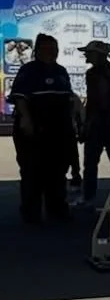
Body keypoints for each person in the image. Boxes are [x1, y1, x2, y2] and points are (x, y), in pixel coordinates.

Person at [11, 34, 75, 224]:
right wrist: (26, 120)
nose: (51, 52)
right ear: (37, 51)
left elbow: (68, 99)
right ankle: (31, 213)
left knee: (57, 171)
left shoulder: (61, 71)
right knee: (32, 171)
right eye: (46, 49)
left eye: (54, 49)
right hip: (34, 130)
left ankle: (57, 209)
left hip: (59, 130)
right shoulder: (28, 70)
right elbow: (20, 97)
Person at [80, 40, 110, 206]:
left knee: (91, 162)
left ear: (97, 55)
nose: (86, 55)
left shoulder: (94, 73)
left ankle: (88, 197)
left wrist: (88, 124)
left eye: (88, 52)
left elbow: (98, 100)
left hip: (100, 123)